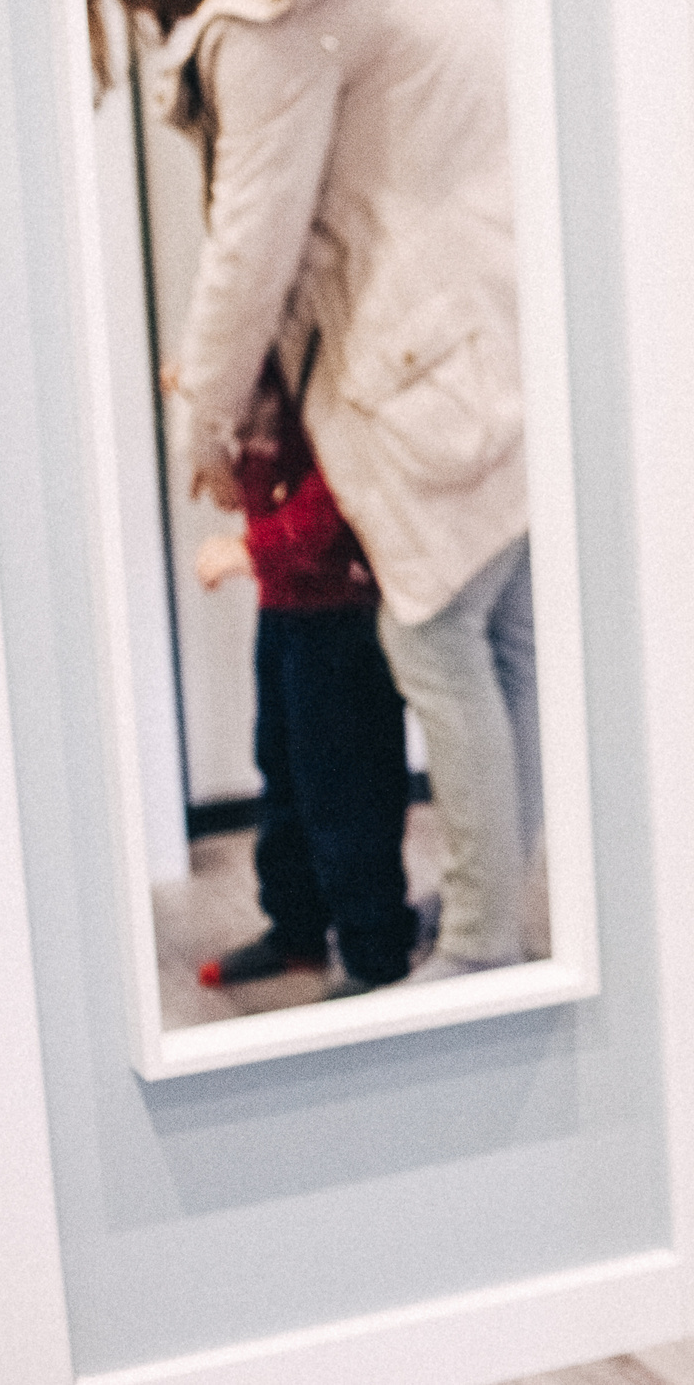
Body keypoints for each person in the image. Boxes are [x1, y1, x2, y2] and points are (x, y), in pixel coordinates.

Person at [78, 0, 540, 981]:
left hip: (429, 363)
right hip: (499, 320)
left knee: (434, 636)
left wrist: (204, 430)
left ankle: (484, 944)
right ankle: (497, 916)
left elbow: (250, 254)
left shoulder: (268, 15)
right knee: (498, 637)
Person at [191, 352, 418, 997]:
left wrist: (246, 550)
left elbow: (344, 490)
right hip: (285, 606)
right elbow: (257, 473)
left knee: (347, 786)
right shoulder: (257, 373)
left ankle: (376, 951)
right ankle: (296, 930)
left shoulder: (326, 364)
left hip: (344, 615)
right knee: (283, 769)